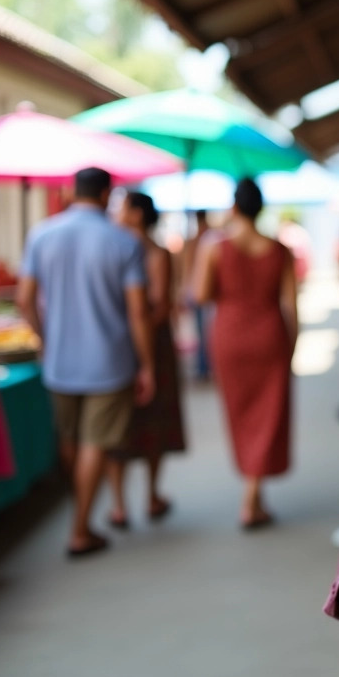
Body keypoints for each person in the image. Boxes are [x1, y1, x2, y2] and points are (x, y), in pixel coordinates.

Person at [16, 167, 155, 558]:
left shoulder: (41, 234)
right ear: (107, 193)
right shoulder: (123, 242)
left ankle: (80, 518)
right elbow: (138, 312)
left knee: (72, 440)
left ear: (71, 191)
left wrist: (44, 339)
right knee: (96, 442)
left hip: (60, 361)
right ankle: (80, 529)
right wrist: (146, 365)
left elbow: (25, 300)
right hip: (109, 362)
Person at [195, 179, 297, 528]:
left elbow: (201, 295)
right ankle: (254, 496)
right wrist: (292, 346)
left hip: (229, 337)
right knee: (268, 412)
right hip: (270, 336)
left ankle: (252, 496)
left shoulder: (214, 246)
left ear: (235, 207)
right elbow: (291, 306)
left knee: (240, 413)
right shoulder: (280, 249)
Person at [106, 191, 186, 528]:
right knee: (121, 424)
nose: (115, 212)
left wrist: (136, 333)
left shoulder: (154, 253)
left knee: (151, 421)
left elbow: (158, 306)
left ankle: (144, 496)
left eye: (121, 206)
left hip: (146, 345)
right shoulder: (122, 248)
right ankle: (124, 502)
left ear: (137, 214)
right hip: (132, 343)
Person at [181, 210, 215, 380]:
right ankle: (206, 366)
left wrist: (186, 290)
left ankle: (204, 367)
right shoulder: (211, 238)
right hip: (206, 291)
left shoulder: (196, 240)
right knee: (207, 330)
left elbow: (187, 268)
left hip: (197, 290)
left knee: (203, 330)